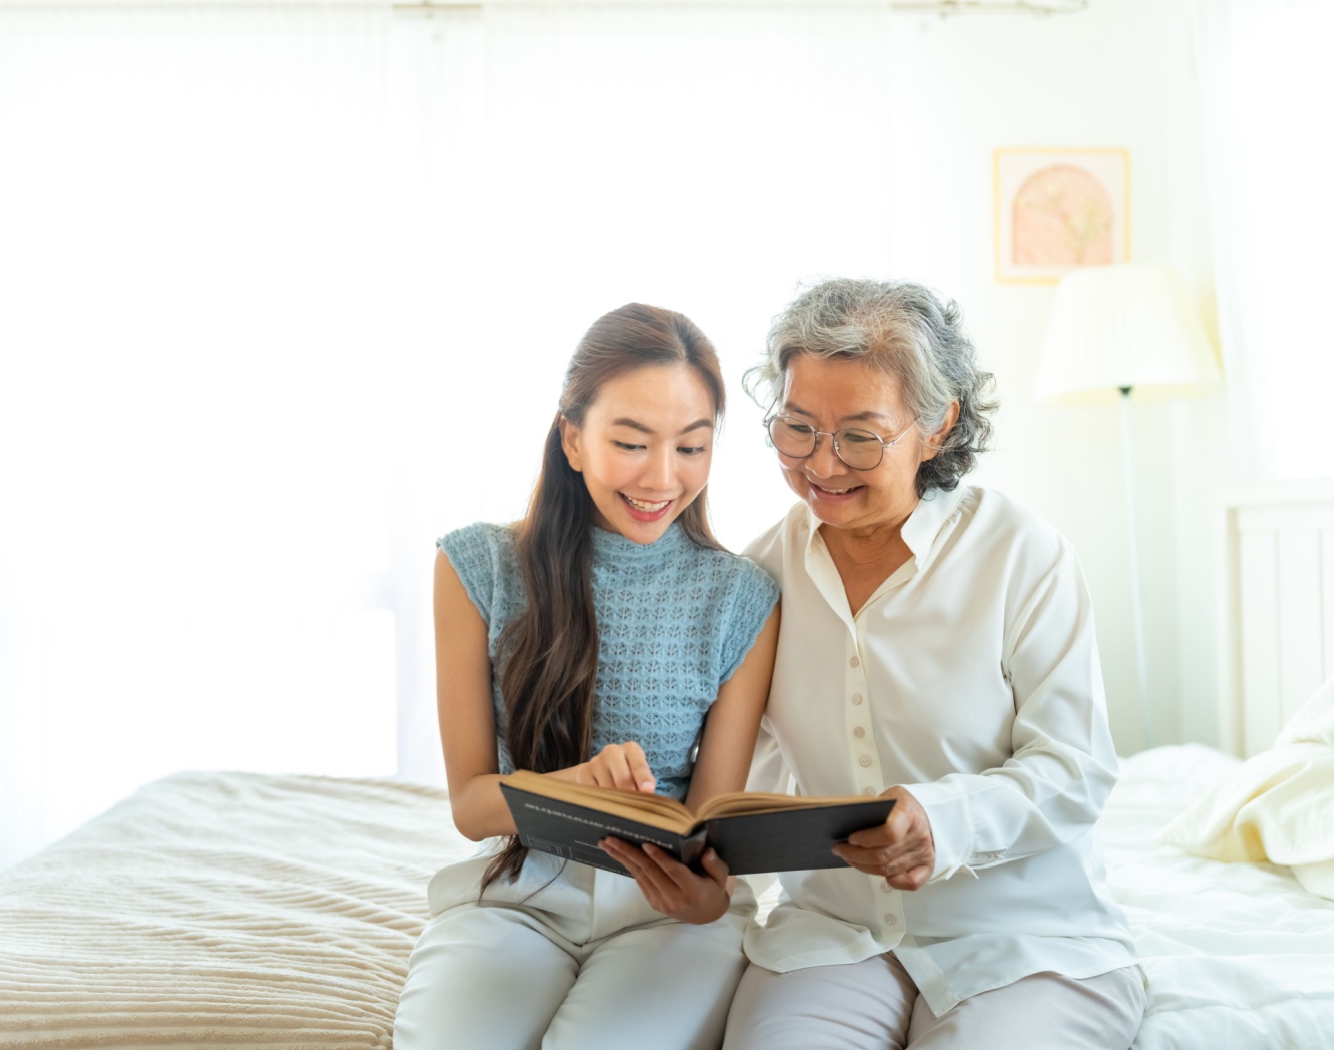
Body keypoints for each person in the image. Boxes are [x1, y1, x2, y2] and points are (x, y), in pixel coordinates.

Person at [722, 278, 1147, 1050]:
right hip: (832, 936)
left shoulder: (1024, 555)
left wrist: (941, 821)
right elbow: (740, 781)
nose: (821, 463)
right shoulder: (759, 576)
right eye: (796, 427)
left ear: (937, 424)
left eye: (858, 435)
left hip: (1028, 944)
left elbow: (1077, 769)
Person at [391, 302, 781, 1050]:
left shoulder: (743, 599)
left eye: (692, 447)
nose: (662, 477)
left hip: (666, 915)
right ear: (572, 439)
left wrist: (706, 897)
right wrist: (578, 784)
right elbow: (473, 806)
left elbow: (708, 826)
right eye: (631, 443)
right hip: (518, 894)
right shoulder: (477, 568)